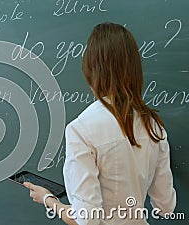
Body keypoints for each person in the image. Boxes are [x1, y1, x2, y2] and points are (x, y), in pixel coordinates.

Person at [23, 22, 176, 224]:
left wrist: (48, 199)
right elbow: (166, 207)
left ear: (90, 68)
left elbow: (86, 220)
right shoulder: (154, 127)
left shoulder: (81, 130)